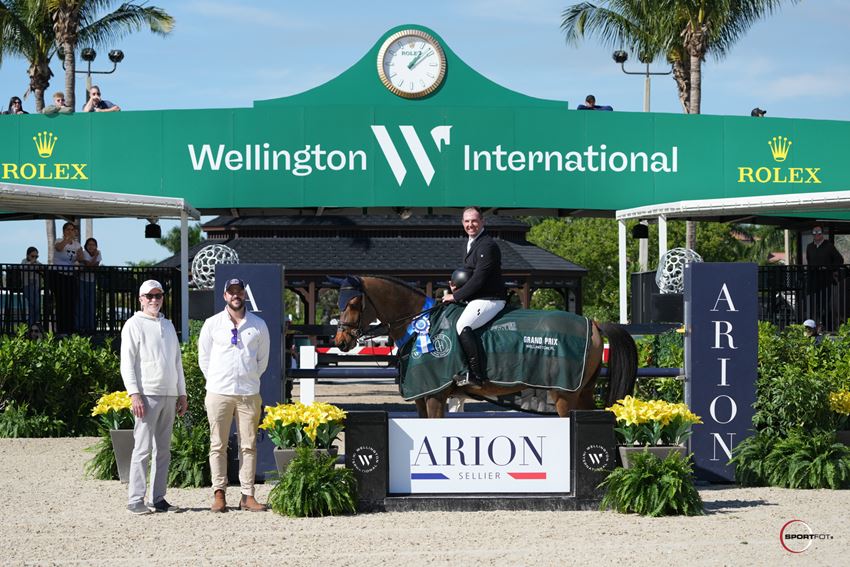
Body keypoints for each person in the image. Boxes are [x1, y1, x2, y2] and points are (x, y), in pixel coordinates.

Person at [198, 277, 270, 513]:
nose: (235, 295)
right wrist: (218, 381)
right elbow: (204, 359)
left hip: (249, 393)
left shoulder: (258, 325)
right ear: (224, 296)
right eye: (231, 292)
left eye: (239, 291)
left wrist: (247, 379)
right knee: (217, 444)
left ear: (245, 295)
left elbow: (262, 361)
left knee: (248, 446)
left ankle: (247, 495)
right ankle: (219, 494)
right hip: (218, 392)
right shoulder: (212, 324)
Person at [122, 280, 187, 515]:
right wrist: (134, 393)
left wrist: (182, 393)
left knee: (163, 450)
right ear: (140, 299)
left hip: (169, 395)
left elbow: (177, 362)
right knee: (142, 449)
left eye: (158, 295)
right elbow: (126, 363)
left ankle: (158, 498)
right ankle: (135, 499)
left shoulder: (168, 325)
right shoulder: (133, 324)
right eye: (149, 296)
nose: (154, 299)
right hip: (147, 394)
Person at [441, 207, 507, 388]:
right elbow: (469, 274)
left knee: (463, 325)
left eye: (474, 221)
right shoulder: (470, 243)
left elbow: (479, 278)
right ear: (462, 223)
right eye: (467, 221)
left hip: (490, 299)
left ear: (482, 222)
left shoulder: (487, 245)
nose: (471, 225)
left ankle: (476, 374)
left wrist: (455, 296)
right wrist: (457, 285)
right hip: (476, 298)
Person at [806, 224, 844, 329]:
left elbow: (839, 260)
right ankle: (814, 325)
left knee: (825, 302)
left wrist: (830, 269)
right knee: (814, 303)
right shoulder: (810, 247)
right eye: (814, 232)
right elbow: (809, 261)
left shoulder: (829, 246)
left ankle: (826, 325)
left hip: (825, 278)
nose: (817, 234)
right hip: (813, 278)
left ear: (822, 234)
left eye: (819, 232)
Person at [49, 221, 82, 335]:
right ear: (63, 231)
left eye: (72, 229)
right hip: (59, 275)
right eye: (68, 229)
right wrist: (67, 239)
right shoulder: (59, 240)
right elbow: (59, 248)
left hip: (70, 276)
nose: (70, 231)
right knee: (61, 303)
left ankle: (71, 329)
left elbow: (80, 257)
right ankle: (61, 329)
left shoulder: (77, 244)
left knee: (70, 303)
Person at [77, 238, 102, 333]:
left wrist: (92, 263)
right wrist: (95, 255)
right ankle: (80, 327)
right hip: (82, 280)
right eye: (89, 244)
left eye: (93, 245)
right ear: (86, 246)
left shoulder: (98, 253)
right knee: (81, 304)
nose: (91, 246)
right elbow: (89, 265)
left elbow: (95, 266)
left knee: (91, 305)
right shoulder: (83, 253)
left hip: (92, 281)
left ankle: (90, 327)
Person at [21, 246, 42, 327]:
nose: (34, 258)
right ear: (27, 255)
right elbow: (23, 267)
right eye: (32, 256)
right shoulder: (24, 261)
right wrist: (31, 262)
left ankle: (34, 325)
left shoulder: (38, 263)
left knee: (35, 306)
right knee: (33, 306)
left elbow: (43, 268)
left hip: (36, 286)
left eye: (36, 256)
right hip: (27, 286)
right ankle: (32, 325)